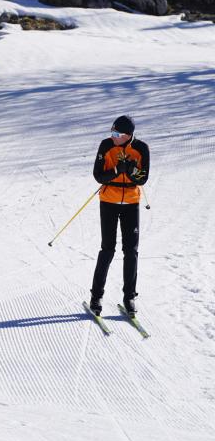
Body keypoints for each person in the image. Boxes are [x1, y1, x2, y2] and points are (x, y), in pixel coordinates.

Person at [89, 115, 149, 316]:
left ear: (128, 135)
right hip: (108, 202)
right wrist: (117, 170)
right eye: (111, 132)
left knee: (131, 251)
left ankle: (129, 296)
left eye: (116, 133)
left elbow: (143, 178)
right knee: (107, 249)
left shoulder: (141, 149)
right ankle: (96, 295)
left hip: (131, 203)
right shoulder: (106, 146)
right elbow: (98, 175)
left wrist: (131, 170)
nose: (112, 136)